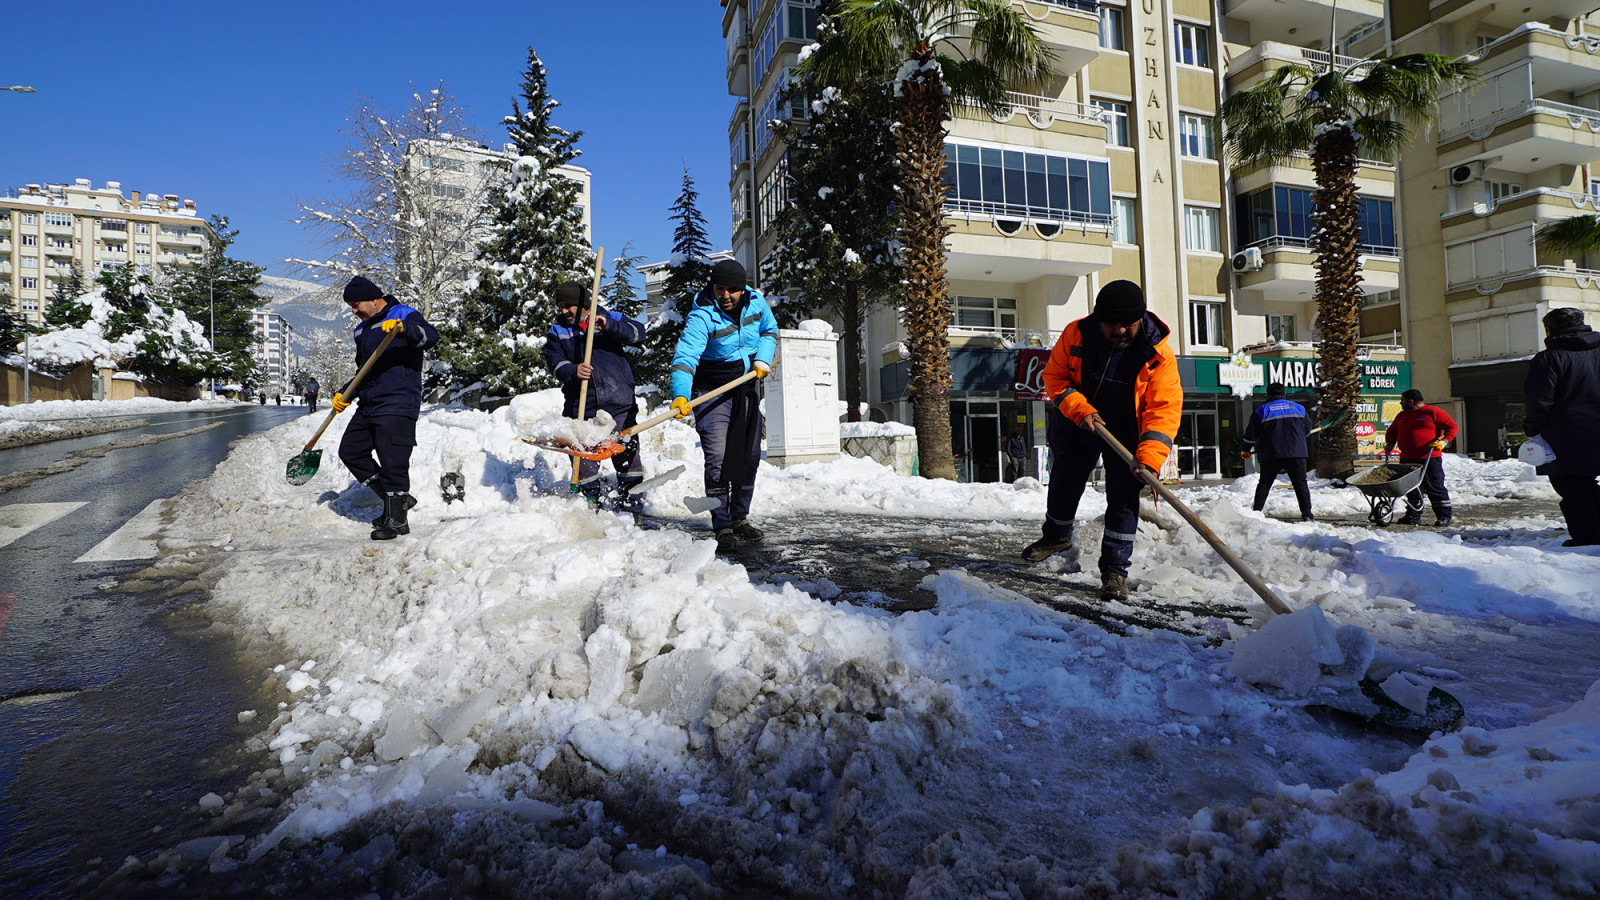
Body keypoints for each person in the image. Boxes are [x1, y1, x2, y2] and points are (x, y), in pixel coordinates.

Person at [1020, 280, 1182, 601]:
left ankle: (1114, 570)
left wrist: (1148, 458)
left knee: (1123, 496)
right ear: (1098, 318)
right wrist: (1080, 410)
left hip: (1127, 428)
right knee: (1065, 481)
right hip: (1080, 419)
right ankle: (1056, 537)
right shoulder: (1076, 333)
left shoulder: (1158, 354)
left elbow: (1163, 410)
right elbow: (1054, 377)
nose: (1120, 331)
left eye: (1128, 325)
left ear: (1140, 319)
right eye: (1112, 325)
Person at [669, 259, 778, 552]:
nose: (726, 295)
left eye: (732, 290)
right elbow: (685, 356)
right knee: (717, 459)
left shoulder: (757, 303)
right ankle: (723, 523)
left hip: (745, 390)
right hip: (712, 392)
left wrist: (764, 358)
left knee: (749, 456)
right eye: (720, 289)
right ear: (712, 287)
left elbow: (769, 330)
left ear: (743, 290)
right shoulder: (702, 315)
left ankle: (740, 517)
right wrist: (681, 393)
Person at [330, 275, 439, 541]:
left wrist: (404, 329)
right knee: (351, 451)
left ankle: (398, 521)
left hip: (398, 399)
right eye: (351, 306)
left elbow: (430, 337)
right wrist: (346, 392)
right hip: (369, 401)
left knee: (393, 462)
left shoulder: (404, 314)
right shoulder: (362, 329)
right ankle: (396, 504)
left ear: (375, 299)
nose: (354, 311)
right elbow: (365, 369)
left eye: (356, 305)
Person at [542, 280, 648, 512]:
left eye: (568, 305)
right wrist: (573, 370)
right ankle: (592, 509)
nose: (563, 311)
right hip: (581, 407)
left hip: (619, 404)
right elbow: (554, 364)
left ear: (584, 304)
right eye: (560, 305)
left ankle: (633, 511)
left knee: (627, 459)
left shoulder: (610, 317)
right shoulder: (558, 331)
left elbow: (640, 333)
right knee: (585, 462)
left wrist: (610, 326)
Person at [1523, 307, 1600, 547]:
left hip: (1566, 434)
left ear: (1549, 329)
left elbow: (1540, 400)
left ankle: (1588, 537)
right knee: (1586, 482)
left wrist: (1532, 428)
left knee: (1570, 483)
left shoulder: (1550, 358)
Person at [1382, 388, 1458, 526]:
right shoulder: (1402, 416)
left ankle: (1444, 516)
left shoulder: (1432, 412)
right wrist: (1390, 442)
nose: (1400, 402)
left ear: (1411, 401)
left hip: (1429, 458)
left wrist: (1444, 441)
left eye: (1403, 400)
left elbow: (1452, 427)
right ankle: (1413, 515)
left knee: (1435, 486)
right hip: (1407, 458)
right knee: (1412, 488)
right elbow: (1392, 430)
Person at [1241, 383, 1313, 521]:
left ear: (1268, 395)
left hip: (1271, 454)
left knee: (1265, 483)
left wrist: (1245, 450)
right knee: (1300, 484)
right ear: (1284, 393)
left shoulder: (1261, 410)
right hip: (1296, 453)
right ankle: (1306, 514)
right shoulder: (1299, 408)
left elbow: (1250, 435)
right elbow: (1307, 429)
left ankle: (1256, 512)